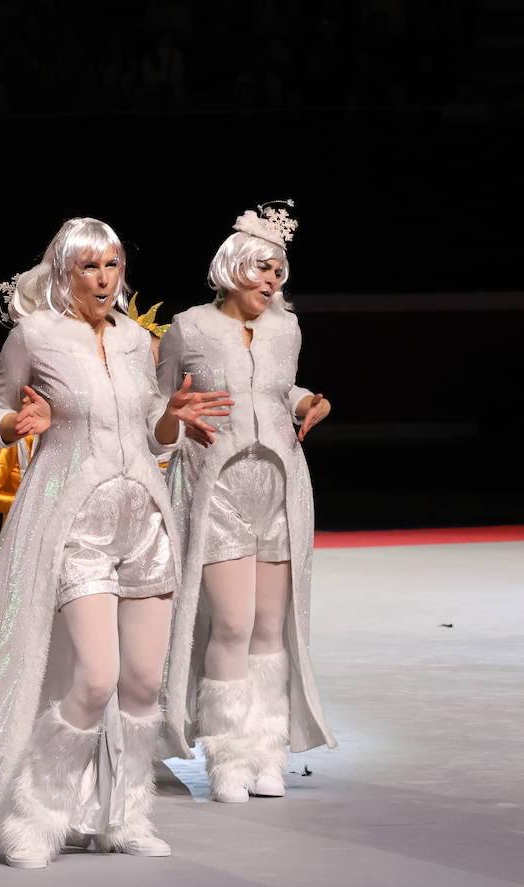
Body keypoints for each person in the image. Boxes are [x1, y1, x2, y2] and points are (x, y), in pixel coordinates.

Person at [0, 219, 229, 868]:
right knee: (95, 678)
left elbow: (150, 438)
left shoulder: (134, 339)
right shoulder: (33, 336)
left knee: (144, 683)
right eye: (90, 266)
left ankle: (122, 816)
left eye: (114, 265)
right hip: (76, 525)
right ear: (64, 271)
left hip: (144, 524)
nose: (104, 278)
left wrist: (169, 421)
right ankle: (37, 815)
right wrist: (16, 422)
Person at [157, 202, 336, 803]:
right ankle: (226, 756)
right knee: (230, 622)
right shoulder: (188, 327)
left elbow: (280, 390)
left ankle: (267, 752)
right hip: (219, 487)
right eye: (263, 268)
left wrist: (310, 401)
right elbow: (156, 409)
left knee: (269, 626)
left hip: (280, 486)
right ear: (233, 267)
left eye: (279, 272)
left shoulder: (287, 327)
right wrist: (173, 426)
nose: (272, 281)